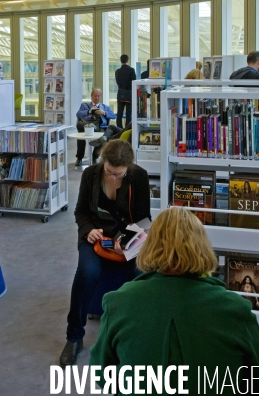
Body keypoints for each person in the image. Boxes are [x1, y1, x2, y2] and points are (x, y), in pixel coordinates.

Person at [90, 207, 259, 395]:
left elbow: (103, 375)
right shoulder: (234, 308)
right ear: (203, 247)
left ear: (149, 246)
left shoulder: (118, 302)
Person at [60, 140, 150, 367]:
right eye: (109, 172)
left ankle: (140, 334)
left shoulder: (139, 176)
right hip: (95, 237)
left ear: (128, 168)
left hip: (127, 239)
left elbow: (142, 219)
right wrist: (88, 230)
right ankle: (74, 337)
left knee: (142, 273)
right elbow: (81, 211)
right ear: (103, 163)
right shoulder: (90, 174)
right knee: (87, 271)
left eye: (119, 175)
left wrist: (125, 240)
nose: (112, 178)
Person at [75, 88, 116, 166]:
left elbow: (113, 116)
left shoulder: (105, 107)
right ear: (91, 97)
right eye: (95, 96)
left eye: (98, 96)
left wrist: (103, 113)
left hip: (100, 126)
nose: (97, 98)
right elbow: (78, 114)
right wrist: (89, 111)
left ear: (100, 97)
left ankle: (95, 156)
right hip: (86, 126)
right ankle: (79, 158)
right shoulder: (84, 105)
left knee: (104, 137)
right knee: (80, 138)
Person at [115, 54, 136, 128]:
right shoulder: (131, 70)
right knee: (128, 113)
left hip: (120, 93)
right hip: (129, 94)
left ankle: (119, 129)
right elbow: (134, 82)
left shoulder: (117, 71)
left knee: (119, 113)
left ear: (121, 61)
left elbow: (117, 82)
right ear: (128, 60)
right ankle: (127, 129)